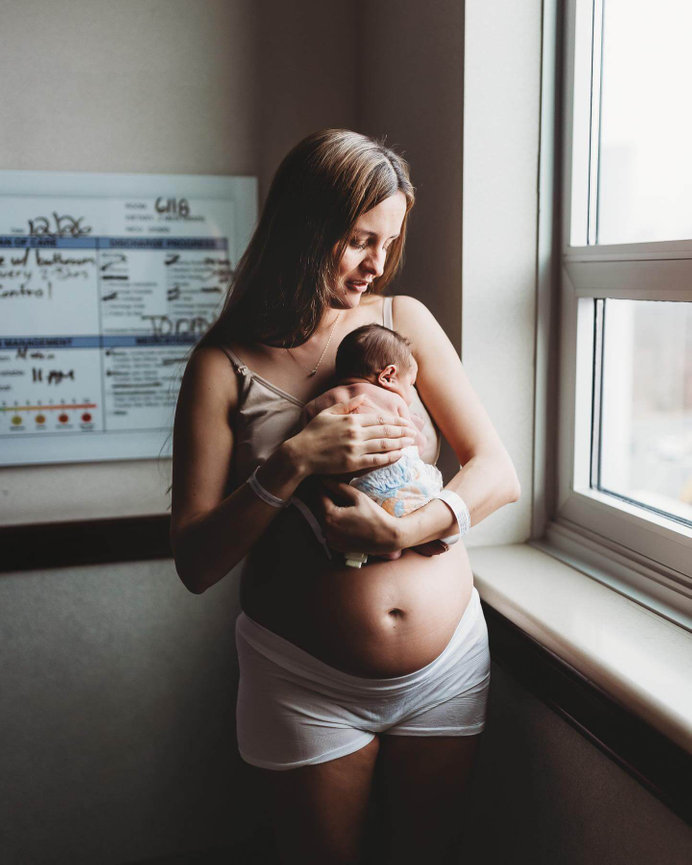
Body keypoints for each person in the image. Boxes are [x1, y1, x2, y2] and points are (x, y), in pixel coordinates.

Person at [170, 128, 520, 865]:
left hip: (448, 664)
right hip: (306, 682)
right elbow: (196, 560)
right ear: (308, 226)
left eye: (389, 244)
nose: (378, 264)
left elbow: (495, 470)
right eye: (361, 240)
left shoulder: (403, 323)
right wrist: (292, 460)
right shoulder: (221, 364)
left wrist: (407, 530)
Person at [301, 323, 451, 567]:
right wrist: (416, 431)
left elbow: (306, 442)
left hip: (353, 490)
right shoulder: (390, 398)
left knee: (359, 524)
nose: (409, 393)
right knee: (421, 504)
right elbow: (415, 442)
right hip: (394, 479)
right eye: (410, 384)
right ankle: (418, 539)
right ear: (388, 376)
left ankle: (375, 551)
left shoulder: (318, 403)